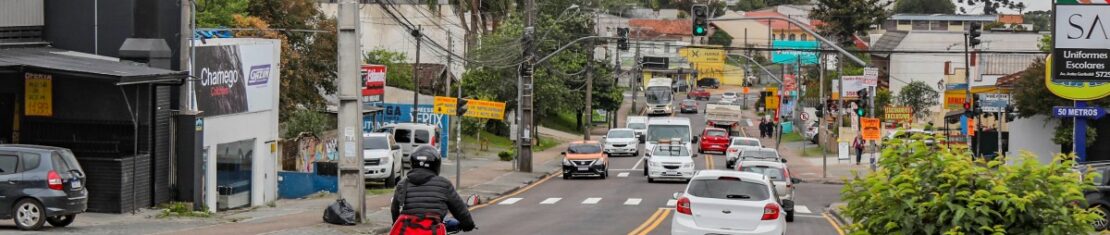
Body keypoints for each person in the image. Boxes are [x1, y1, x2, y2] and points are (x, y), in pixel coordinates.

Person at [390, 146, 476, 235]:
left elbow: (394, 210)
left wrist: (396, 224)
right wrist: (468, 224)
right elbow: (459, 209)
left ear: (412, 163)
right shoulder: (444, 184)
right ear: (436, 164)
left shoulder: (402, 184)